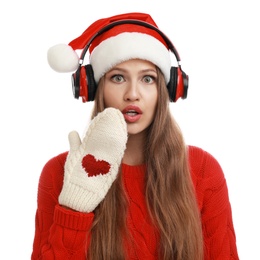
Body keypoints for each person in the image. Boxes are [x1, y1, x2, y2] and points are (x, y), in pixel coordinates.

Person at [31, 12, 239, 260]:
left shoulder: (203, 170)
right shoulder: (59, 172)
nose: (132, 94)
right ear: (94, 88)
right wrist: (75, 207)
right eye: (118, 78)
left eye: (147, 79)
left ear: (168, 89)